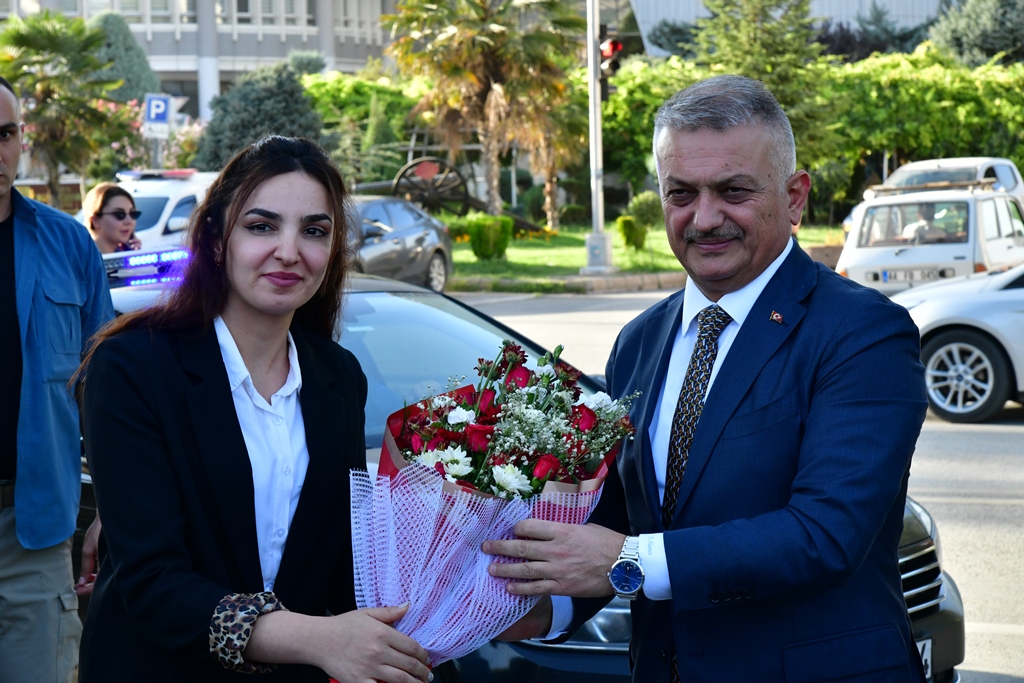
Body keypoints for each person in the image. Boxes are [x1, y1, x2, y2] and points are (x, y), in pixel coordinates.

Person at [484, 75, 930, 682]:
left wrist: (628, 562)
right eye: (681, 193)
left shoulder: (865, 333)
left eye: (734, 190)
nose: (705, 217)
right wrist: (534, 607)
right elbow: (616, 528)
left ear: (795, 197)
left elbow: (826, 533)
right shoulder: (640, 341)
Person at [77, 136, 431, 683]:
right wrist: (316, 638)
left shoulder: (338, 376)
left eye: (314, 231)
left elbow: (336, 557)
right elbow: (151, 579)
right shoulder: (133, 366)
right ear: (217, 240)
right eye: (262, 226)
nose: (289, 251)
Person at [0, 76, 114, 682]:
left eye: (5, 133)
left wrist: (112, 504)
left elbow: (107, 385)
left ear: (22, 140)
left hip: (33, 530)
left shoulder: (68, 243)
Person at [82, 181, 142, 253]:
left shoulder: (125, 254)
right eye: (119, 214)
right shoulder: (79, 260)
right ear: (95, 220)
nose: (129, 221)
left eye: (132, 213)